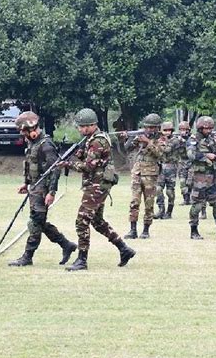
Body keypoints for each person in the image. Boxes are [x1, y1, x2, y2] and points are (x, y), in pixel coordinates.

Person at [59, 108, 135, 271]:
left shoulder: (96, 141)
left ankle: (82, 259)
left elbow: (88, 166)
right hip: (98, 184)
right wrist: (80, 154)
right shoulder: (93, 139)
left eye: (82, 126)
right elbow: (95, 160)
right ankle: (124, 249)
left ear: (91, 125)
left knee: (82, 221)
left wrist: (68, 164)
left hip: (97, 184)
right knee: (97, 221)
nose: (79, 129)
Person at [8, 112, 77, 266]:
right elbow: (30, 164)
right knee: (39, 220)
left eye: (24, 131)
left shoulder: (46, 145)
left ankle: (27, 257)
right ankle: (66, 245)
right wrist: (26, 183)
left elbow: (55, 169)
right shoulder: (32, 143)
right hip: (34, 187)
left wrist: (51, 192)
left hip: (43, 189)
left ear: (31, 129)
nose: (22, 134)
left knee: (35, 222)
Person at [187, 116, 216, 240]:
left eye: (211, 128)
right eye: (207, 128)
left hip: (213, 178)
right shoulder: (193, 139)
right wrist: (206, 155)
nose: (209, 130)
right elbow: (190, 155)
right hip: (199, 178)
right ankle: (194, 231)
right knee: (197, 205)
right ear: (200, 128)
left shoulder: (210, 140)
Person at [122, 113, 165, 239]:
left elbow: (160, 154)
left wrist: (148, 142)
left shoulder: (161, 139)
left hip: (150, 175)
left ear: (157, 128)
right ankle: (133, 230)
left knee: (149, 204)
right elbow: (128, 148)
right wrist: (128, 137)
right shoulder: (140, 137)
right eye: (147, 127)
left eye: (152, 127)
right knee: (134, 202)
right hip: (137, 173)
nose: (149, 130)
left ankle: (146, 230)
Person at [154, 121, 179, 220]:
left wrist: (161, 142)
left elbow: (167, 150)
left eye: (169, 130)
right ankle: (161, 210)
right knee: (158, 189)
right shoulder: (159, 139)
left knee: (170, 191)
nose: (167, 132)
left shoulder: (174, 140)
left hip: (171, 167)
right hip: (160, 167)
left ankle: (169, 212)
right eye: (165, 130)